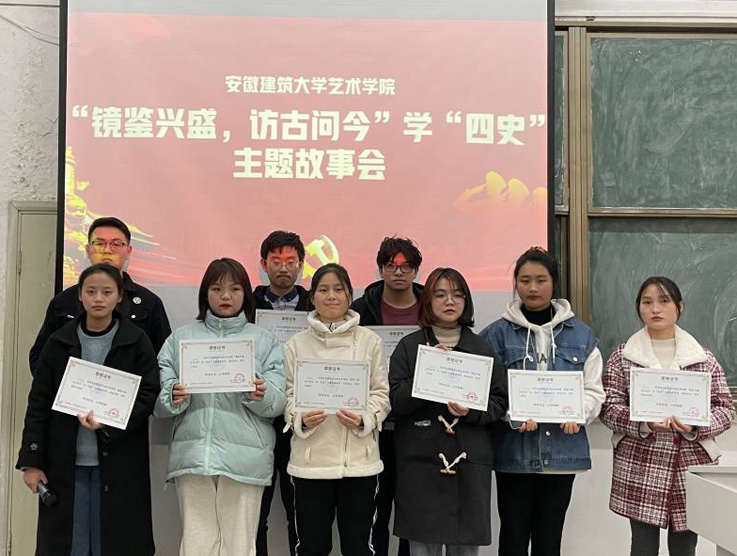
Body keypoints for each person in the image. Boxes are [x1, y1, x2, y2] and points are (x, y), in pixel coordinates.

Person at [17, 263, 161, 556]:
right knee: (70, 544)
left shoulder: (136, 341)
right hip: (65, 463)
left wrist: (108, 422)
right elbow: (39, 403)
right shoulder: (58, 342)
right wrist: (32, 461)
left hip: (120, 462)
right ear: (79, 295)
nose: (98, 298)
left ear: (119, 296)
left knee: (116, 542)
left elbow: (148, 394)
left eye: (107, 292)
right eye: (91, 291)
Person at [154, 258, 286, 556]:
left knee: (239, 547)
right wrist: (173, 395)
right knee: (196, 545)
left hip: (245, 460)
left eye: (234, 289)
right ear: (205, 294)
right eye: (216, 288)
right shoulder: (180, 339)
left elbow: (278, 402)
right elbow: (159, 401)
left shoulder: (266, 341)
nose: (225, 296)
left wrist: (260, 394)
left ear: (245, 294)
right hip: (194, 457)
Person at [479, 247, 605, 556]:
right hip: (513, 454)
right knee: (513, 538)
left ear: (554, 283)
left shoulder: (581, 335)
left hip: (561, 454)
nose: (532, 288)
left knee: (549, 541)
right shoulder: (495, 335)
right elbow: (487, 391)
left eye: (540, 280)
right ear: (516, 284)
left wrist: (578, 414)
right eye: (525, 280)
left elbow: (594, 390)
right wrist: (512, 414)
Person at [600, 276, 734, 556]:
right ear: (639, 307)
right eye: (646, 302)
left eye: (664, 301)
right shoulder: (623, 356)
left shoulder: (703, 358)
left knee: (685, 548)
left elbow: (725, 409)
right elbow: (609, 409)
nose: (655, 309)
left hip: (690, 464)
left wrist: (696, 425)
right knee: (643, 547)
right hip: (640, 464)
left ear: (679, 306)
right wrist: (644, 423)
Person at [389, 267, 508, 556]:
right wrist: (428, 372)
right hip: (421, 466)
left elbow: (499, 403)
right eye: (440, 295)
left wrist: (471, 411)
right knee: (422, 548)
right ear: (428, 301)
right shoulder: (409, 347)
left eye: (457, 295)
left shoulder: (482, 348)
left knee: (465, 548)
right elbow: (396, 402)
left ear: (466, 301)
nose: (450, 301)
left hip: (469, 466)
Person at [283, 263, 390, 556]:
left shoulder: (370, 341)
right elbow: (288, 396)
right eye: (323, 289)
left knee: (358, 547)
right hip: (310, 464)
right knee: (312, 547)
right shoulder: (295, 345)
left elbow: (381, 394)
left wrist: (364, 419)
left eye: (338, 289)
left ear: (349, 296)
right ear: (312, 297)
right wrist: (301, 418)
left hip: (358, 463)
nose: (331, 296)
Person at [351, 236, 423, 556]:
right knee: (374, 511)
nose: (399, 273)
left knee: (412, 512)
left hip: (417, 426)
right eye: (391, 266)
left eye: (406, 267)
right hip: (373, 427)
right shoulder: (360, 310)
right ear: (380, 269)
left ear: (416, 270)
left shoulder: (431, 309)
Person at [29, 216, 171, 375]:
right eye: (99, 243)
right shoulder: (64, 301)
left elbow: (164, 360)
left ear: (128, 251)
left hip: (128, 389)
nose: (107, 250)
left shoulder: (149, 302)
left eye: (116, 244)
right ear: (88, 250)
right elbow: (40, 357)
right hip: (74, 389)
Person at [253, 231, 311, 556]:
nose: (284, 268)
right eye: (276, 261)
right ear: (263, 264)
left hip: (301, 421)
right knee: (254, 515)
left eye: (291, 261)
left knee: (299, 514)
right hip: (256, 418)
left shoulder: (316, 304)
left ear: (301, 265)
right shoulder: (247, 305)